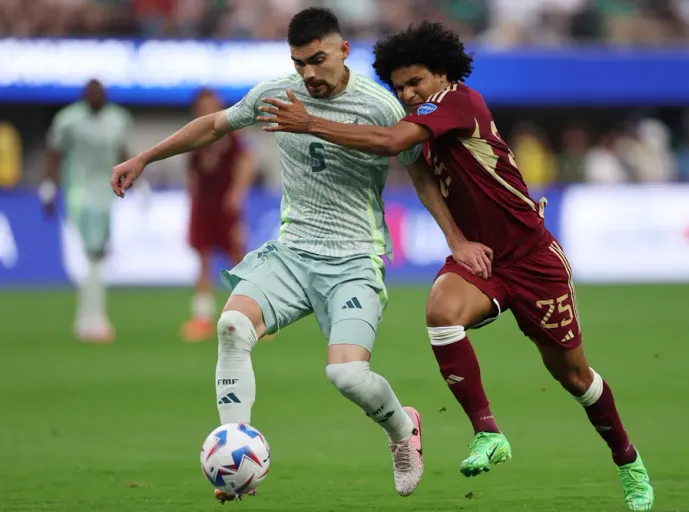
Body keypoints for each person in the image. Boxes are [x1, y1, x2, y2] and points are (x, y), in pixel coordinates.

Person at [256, 21, 655, 512]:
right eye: (399, 86)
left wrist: (310, 122)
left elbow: (387, 142)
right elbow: (421, 174)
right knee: (441, 312)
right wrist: (457, 240)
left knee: (573, 376)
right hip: (481, 258)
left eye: (416, 81)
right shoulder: (423, 122)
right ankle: (488, 433)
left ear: (442, 73)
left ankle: (629, 462)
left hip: (533, 261)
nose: (407, 92)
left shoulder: (458, 103)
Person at [109, 8, 485, 502]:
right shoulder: (276, 94)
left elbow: (420, 177)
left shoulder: (380, 107)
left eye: (318, 59)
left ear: (344, 52)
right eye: (299, 62)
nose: (309, 73)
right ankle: (235, 454)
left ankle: (402, 430)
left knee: (347, 375)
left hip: (353, 260)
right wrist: (144, 157)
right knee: (231, 327)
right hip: (291, 253)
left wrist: (456, 240)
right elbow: (215, 126)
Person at [41, 79, 132, 343]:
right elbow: (54, 153)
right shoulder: (68, 120)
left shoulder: (119, 119)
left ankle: (88, 319)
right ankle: (93, 319)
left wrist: (139, 179)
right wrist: (48, 186)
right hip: (79, 191)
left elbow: (123, 151)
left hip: (107, 191)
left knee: (96, 254)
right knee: (93, 252)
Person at [181, 88, 256, 343]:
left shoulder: (231, 131)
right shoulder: (194, 132)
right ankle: (202, 318)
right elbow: (192, 172)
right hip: (203, 205)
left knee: (238, 259)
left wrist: (237, 193)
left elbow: (246, 162)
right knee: (202, 259)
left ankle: (253, 315)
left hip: (225, 205)